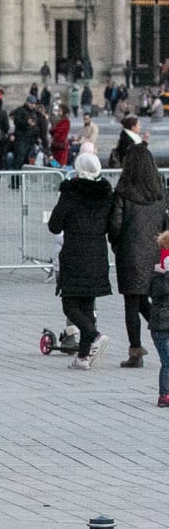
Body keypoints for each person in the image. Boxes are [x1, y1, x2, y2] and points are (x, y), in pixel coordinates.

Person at [47, 153, 113, 370]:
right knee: (87, 304)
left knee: (69, 304)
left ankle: (94, 335)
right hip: (97, 251)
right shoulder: (105, 194)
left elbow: (55, 225)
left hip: (75, 252)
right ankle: (83, 357)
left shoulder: (71, 192)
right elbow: (111, 226)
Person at [108, 144, 167, 368]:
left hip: (130, 254)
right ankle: (158, 335)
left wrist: (117, 245)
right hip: (154, 254)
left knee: (132, 303)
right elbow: (164, 226)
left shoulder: (123, 193)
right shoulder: (158, 195)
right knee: (143, 300)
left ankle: (135, 351)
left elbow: (115, 225)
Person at [149, 232, 169, 406]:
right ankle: (164, 395)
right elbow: (160, 293)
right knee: (168, 361)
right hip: (161, 327)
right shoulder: (159, 277)